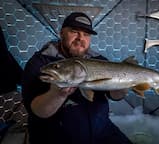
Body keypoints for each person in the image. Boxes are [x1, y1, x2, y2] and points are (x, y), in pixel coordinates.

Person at [21, 12, 133, 144]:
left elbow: (114, 95)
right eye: (74, 31)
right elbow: (36, 111)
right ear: (61, 33)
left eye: (86, 34)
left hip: (102, 131)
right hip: (55, 138)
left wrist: (125, 86)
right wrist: (57, 94)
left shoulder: (99, 61)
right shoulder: (40, 64)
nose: (81, 38)